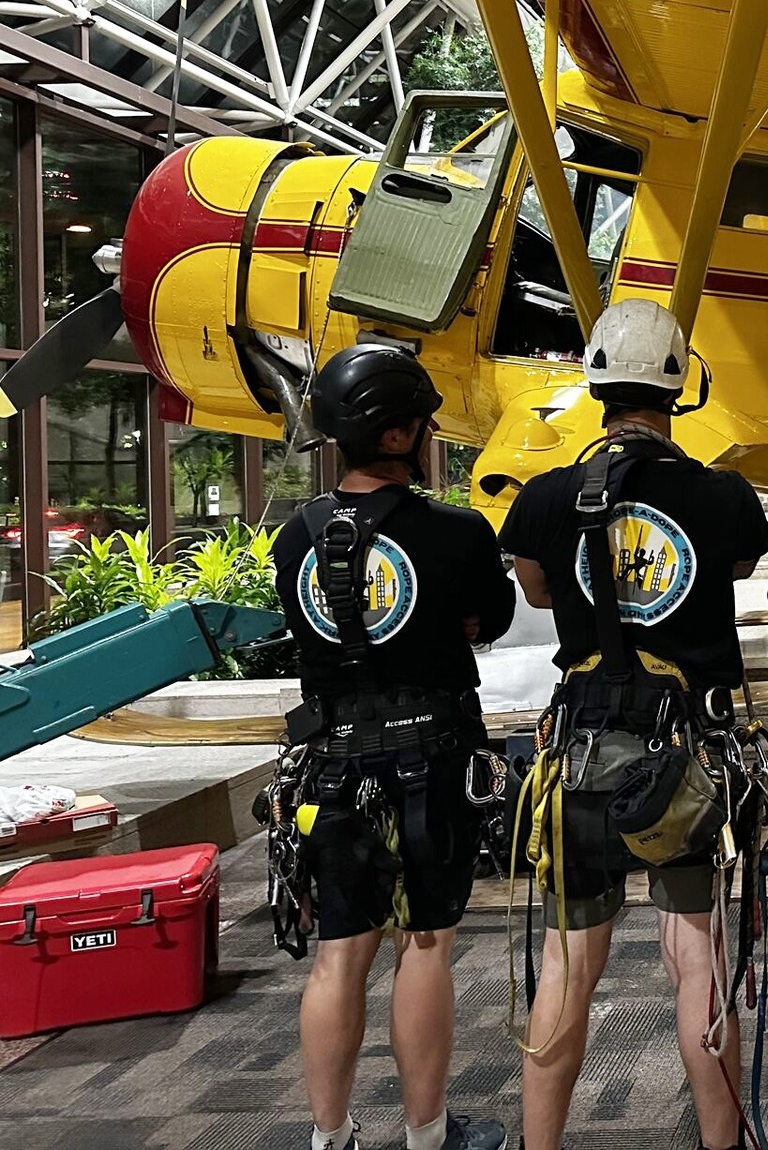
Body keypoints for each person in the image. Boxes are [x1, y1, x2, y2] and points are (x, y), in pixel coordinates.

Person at [498, 298, 768, 1150]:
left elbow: (539, 589)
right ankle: (721, 1143)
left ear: (596, 382)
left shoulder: (544, 500)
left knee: (566, 967)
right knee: (698, 961)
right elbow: (732, 565)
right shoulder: (720, 495)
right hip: (682, 766)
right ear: (678, 385)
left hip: (577, 757)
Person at [272, 344, 517, 1150]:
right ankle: (426, 1134)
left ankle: (330, 1136)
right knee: (425, 944)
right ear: (403, 431)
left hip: (329, 762)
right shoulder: (455, 533)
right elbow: (486, 622)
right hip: (429, 757)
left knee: (340, 953)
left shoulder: (292, 539)